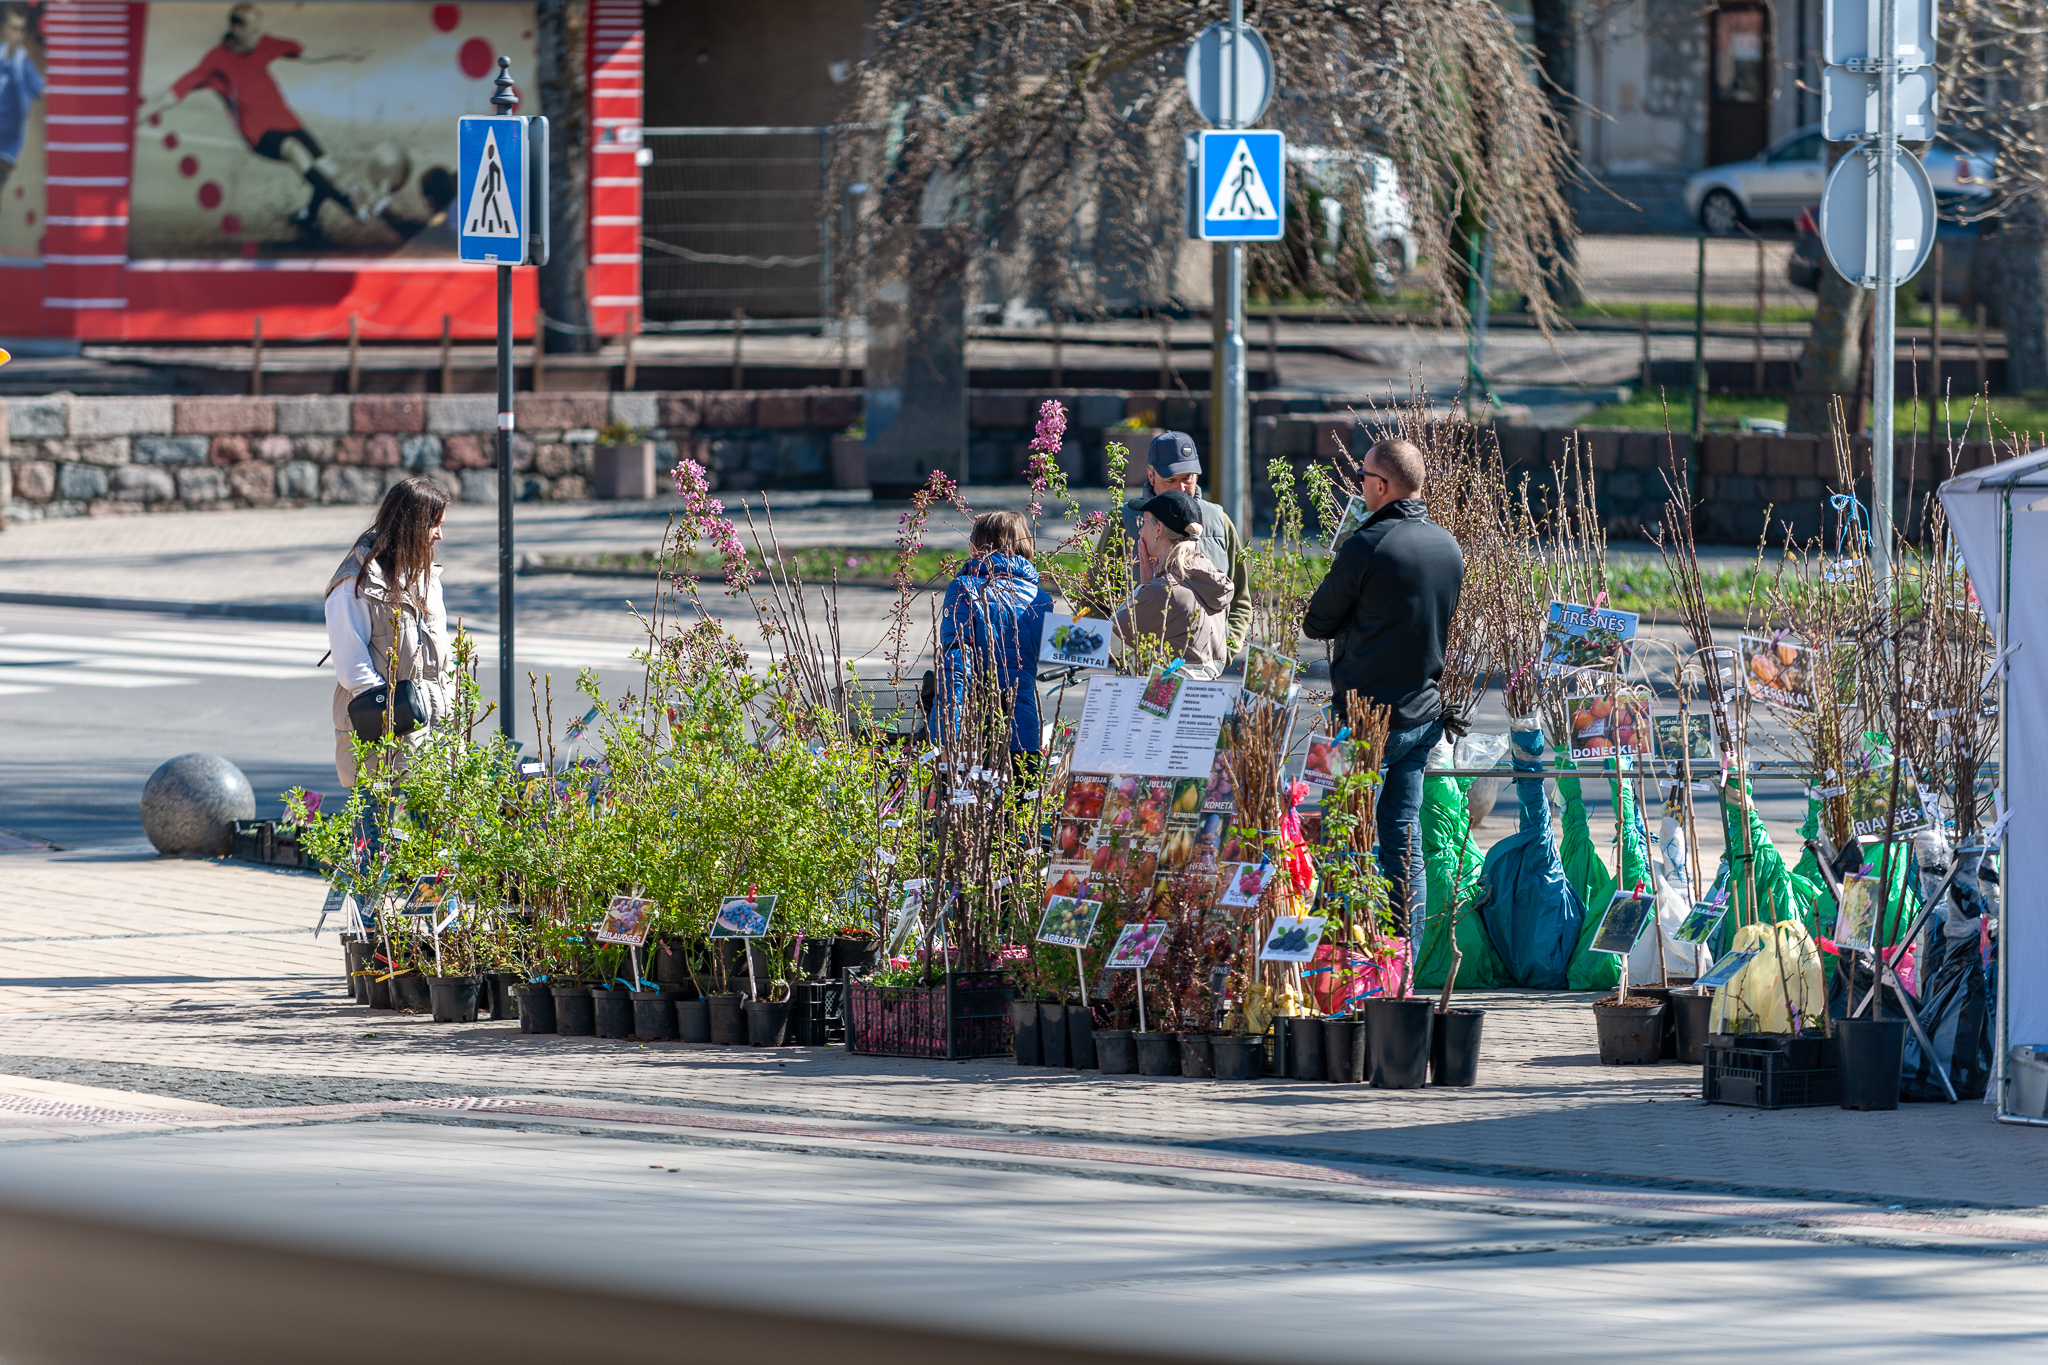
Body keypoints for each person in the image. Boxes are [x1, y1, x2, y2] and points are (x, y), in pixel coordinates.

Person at [1301, 438, 1464, 936]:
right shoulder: (1447, 545)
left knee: (1341, 836)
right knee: (1401, 841)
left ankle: (1340, 959)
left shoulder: (1367, 544)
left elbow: (1317, 621)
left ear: (1382, 485)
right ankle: (1403, 966)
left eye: (1363, 477)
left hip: (1362, 721)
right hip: (1422, 716)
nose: (1360, 486)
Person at [142, 6, 363, 234]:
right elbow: (173, 94)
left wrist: (345, 53)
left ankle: (309, 218)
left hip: (290, 123)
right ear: (237, 29)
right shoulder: (215, 61)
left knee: (330, 170)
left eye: (260, 30)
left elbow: (306, 53)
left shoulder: (263, 44)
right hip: (259, 133)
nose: (260, 37)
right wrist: (138, 116)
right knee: (294, 150)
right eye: (254, 31)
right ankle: (350, 204)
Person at [324, 476, 453, 789]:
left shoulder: (427, 577)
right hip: (386, 748)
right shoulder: (355, 584)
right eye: (433, 524)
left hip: (436, 746)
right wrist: (405, 714)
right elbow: (353, 671)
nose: (439, 535)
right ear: (410, 524)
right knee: (382, 837)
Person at [1084, 431, 1250, 655]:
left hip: (1204, 675)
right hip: (1140, 668)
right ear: (1151, 477)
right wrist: (1119, 653)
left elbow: (1240, 597)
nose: (1181, 488)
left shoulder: (1220, 522)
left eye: (1187, 478)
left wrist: (1226, 649)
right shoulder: (1125, 521)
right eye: (1170, 479)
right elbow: (1095, 597)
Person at [929, 509, 1055, 759]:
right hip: (1024, 735)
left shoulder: (965, 588)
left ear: (978, 545)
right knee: (1019, 797)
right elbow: (1059, 651)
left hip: (977, 736)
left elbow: (957, 665)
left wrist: (946, 736)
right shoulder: (1040, 599)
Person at [1111, 490, 1234, 679]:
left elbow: (1107, 643)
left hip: (1165, 704)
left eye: (1142, 523)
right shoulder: (1210, 582)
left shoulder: (1162, 592)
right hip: (1203, 701)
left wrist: (1142, 590)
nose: (1140, 531)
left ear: (1158, 529)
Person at [0, 4, 44, 198]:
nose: (16, 35)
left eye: (20, 30)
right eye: (13, 28)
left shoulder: (23, 64)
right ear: (5, 29)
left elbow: (42, 91)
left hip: (8, 146)